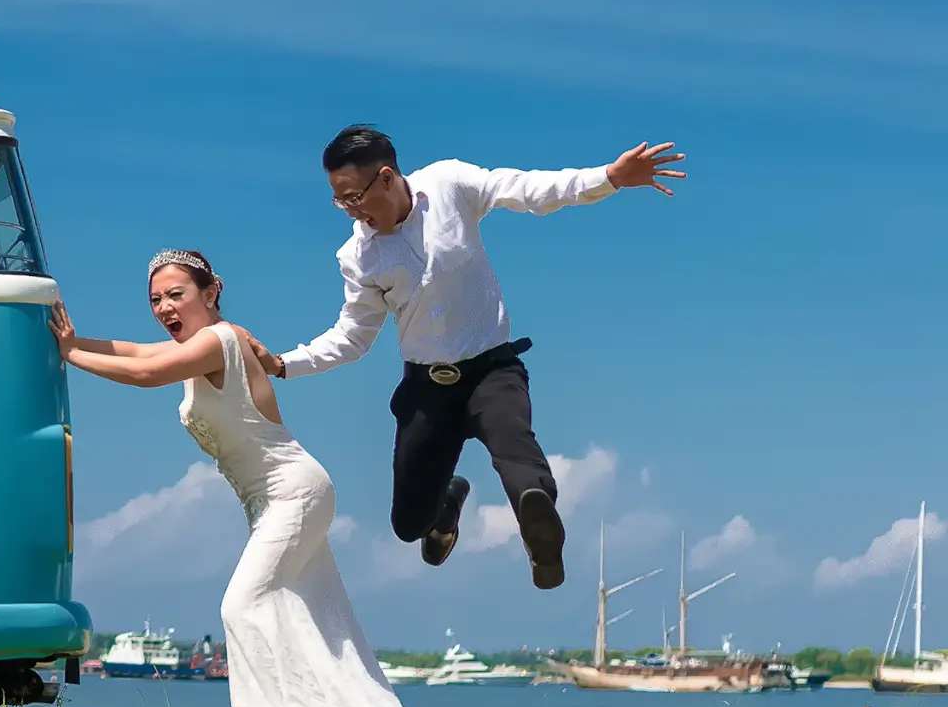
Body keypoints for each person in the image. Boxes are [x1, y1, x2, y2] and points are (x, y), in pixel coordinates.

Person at [52, 251, 529, 707]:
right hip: (270, 502)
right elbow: (136, 353)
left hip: (294, 492)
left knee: (241, 605)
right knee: (306, 622)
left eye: (176, 295)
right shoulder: (198, 346)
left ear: (210, 291)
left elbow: (147, 375)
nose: (165, 308)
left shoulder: (220, 340)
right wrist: (73, 340)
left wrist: (69, 356)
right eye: (155, 300)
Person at [256, 127, 687, 590]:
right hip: (426, 390)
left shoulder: (448, 185)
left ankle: (539, 531)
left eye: (353, 197)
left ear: (386, 178)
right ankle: (447, 503)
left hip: (491, 370)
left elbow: (530, 190)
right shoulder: (358, 256)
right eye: (340, 202)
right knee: (409, 524)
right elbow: (353, 336)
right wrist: (284, 363)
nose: (352, 211)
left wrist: (610, 177)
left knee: (514, 445)